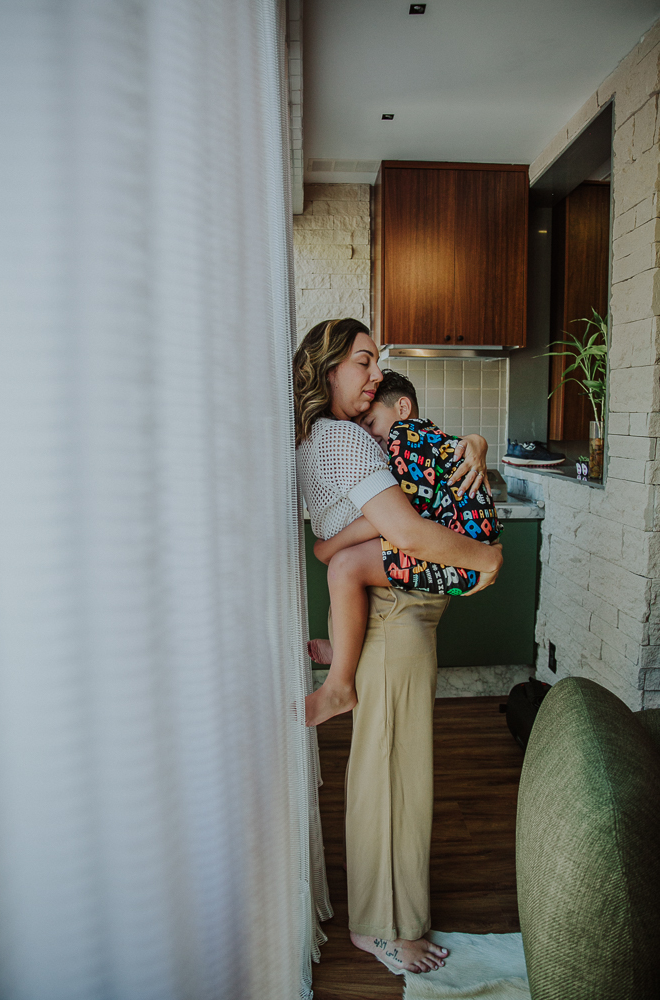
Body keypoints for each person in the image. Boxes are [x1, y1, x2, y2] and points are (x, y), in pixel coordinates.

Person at [294, 318, 502, 975]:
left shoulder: (332, 439)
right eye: (362, 362)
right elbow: (407, 534)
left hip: (391, 619)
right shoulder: (343, 440)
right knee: (394, 778)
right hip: (396, 620)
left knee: (385, 771)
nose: (375, 372)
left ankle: (381, 919)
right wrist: (484, 560)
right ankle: (382, 928)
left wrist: (470, 444)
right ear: (328, 370)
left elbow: (347, 535)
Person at [305, 369, 501, 728]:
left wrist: (327, 546)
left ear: (402, 407)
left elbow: (401, 518)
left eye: (370, 421)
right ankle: (346, 652)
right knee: (348, 565)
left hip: (461, 559)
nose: (366, 432)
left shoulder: (405, 439)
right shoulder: (421, 437)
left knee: (345, 567)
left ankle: (338, 685)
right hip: (459, 552)